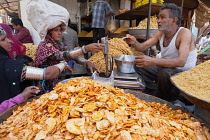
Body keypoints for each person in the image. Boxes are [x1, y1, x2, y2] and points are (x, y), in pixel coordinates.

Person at [124, 3, 197, 102]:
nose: (158, 21)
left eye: (163, 18)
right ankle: (153, 95)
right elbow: (142, 47)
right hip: (166, 69)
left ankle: (168, 100)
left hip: (182, 73)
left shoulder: (184, 34)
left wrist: (153, 60)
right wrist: (134, 42)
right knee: (139, 63)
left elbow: (181, 61)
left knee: (164, 71)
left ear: (174, 20)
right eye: (159, 18)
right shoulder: (160, 34)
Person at [27, 1, 104, 91]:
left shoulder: (58, 44)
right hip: (42, 85)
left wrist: (87, 63)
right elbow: (63, 55)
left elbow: (72, 54)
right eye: (56, 30)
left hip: (53, 81)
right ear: (49, 32)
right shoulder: (45, 46)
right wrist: (85, 49)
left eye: (60, 30)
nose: (60, 33)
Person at [0, 26, 73, 103]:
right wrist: (63, 64)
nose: (10, 41)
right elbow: (47, 74)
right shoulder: (7, 64)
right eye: (3, 39)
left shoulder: (59, 44)